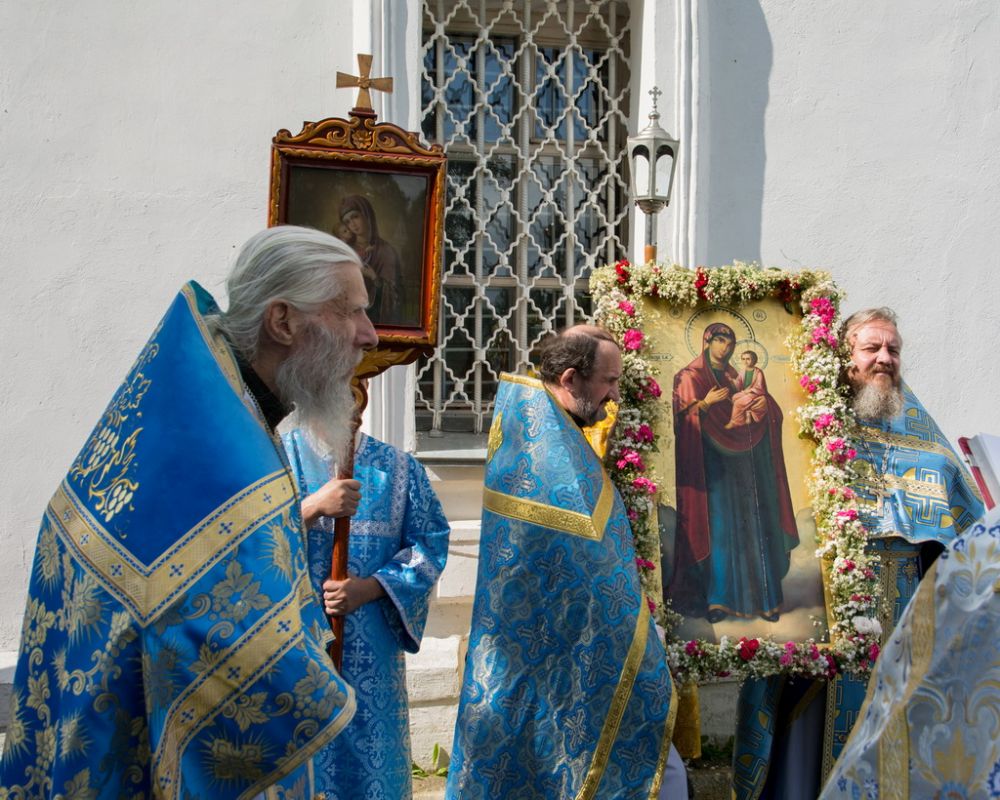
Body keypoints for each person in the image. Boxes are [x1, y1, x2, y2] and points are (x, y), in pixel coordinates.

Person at [0, 226, 378, 798]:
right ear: (283, 322)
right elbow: (236, 650)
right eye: (351, 313)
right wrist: (318, 688)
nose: (370, 336)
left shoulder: (213, 403)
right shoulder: (218, 449)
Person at [731, 307, 984, 799]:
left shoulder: (924, 443)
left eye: (893, 349)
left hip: (904, 612)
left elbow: (967, 529)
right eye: (871, 348)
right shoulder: (812, 434)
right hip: (824, 605)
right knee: (806, 722)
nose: (884, 358)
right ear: (844, 358)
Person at [446, 325, 680, 799]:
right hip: (552, 652)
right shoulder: (539, 444)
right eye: (609, 381)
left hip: (560, 648)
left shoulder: (554, 431)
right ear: (571, 378)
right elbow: (587, 564)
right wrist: (642, 644)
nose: (615, 396)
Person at [280, 427, 450, 799]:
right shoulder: (276, 457)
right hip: (295, 657)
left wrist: (369, 588)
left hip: (371, 668)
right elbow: (244, 537)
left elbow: (430, 544)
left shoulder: (400, 469)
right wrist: (310, 508)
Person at [669, 322, 798, 624]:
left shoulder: (735, 376)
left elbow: (756, 407)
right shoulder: (689, 376)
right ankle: (718, 599)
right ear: (706, 342)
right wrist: (704, 404)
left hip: (743, 466)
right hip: (710, 470)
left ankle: (763, 598)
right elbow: (681, 421)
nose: (725, 347)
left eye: (730, 342)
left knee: (753, 525)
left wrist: (764, 408)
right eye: (719, 340)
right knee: (721, 529)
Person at [338, 194, 403, 325]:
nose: (353, 225)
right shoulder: (345, 249)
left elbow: (395, 296)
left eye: (355, 217)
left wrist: (374, 278)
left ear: (366, 214)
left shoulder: (386, 251)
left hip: (374, 319)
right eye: (347, 222)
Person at [725, 350, 768, 429]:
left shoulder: (758, 372)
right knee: (734, 397)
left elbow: (760, 387)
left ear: (753, 360)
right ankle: (746, 413)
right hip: (745, 393)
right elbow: (738, 384)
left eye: (748, 359)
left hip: (754, 394)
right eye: (743, 359)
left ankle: (736, 422)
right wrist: (731, 380)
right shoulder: (742, 371)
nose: (745, 361)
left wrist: (749, 391)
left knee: (738, 403)